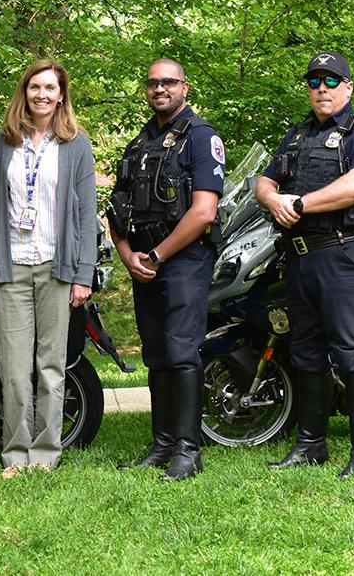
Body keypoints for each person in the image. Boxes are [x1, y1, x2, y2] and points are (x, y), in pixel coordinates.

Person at [256, 52, 354, 477]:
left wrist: (300, 203)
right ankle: (311, 444)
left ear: (348, 87)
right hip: (299, 259)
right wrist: (272, 198)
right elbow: (264, 180)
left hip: (343, 253)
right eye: (314, 81)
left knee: (352, 352)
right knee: (306, 353)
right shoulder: (295, 137)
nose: (322, 89)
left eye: (331, 81)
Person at [0, 59, 98, 478]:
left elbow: (86, 216)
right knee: (13, 368)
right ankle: (15, 453)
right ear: (24, 93)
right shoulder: (4, 141)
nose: (42, 95)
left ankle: (46, 453)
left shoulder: (76, 144)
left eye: (50, 88)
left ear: (61, 95)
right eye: (35, 87)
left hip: (56, 268)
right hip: (11, 267)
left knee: (50, 366)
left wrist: (84, 274)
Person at [108, 58, 225, 481]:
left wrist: (157, 256)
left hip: (184, 259)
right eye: (153, 82)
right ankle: (162, 445)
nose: (160, 89)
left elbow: (203, 212)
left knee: (180, 351)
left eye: (169, 82)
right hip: (144, 262)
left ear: (184, 88)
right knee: (156, 353)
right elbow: (116, 207)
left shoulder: (200, 137)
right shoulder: (139, 144)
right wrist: (128, 254)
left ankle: (188, 450)